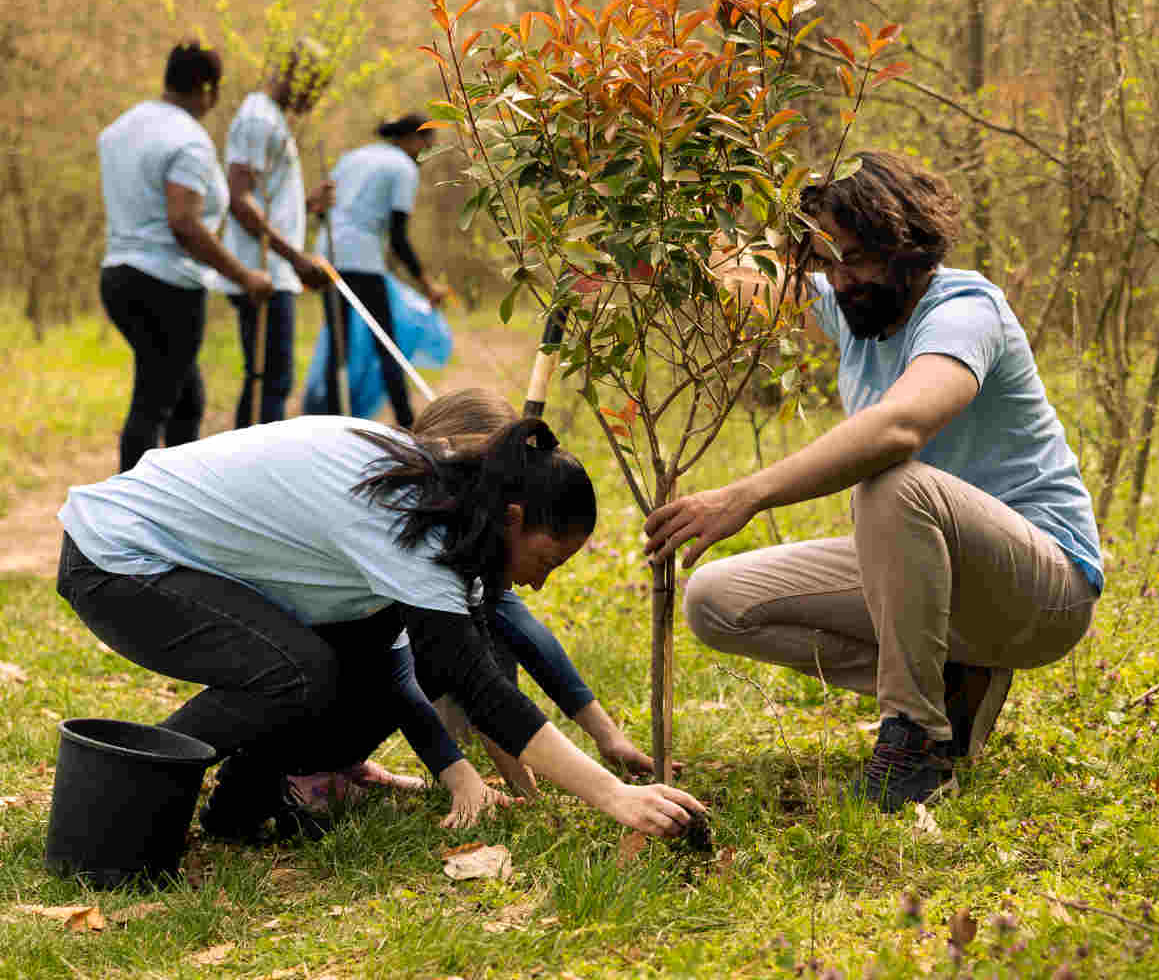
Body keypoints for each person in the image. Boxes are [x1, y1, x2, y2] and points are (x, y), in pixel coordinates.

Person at [643, 150, 1103, 812]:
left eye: (854, 258)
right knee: (716, 600)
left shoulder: (965, 310)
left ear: (907, 248)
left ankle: (915, 744)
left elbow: (900, 427)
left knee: (891, 481)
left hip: (1044, 590)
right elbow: (754, 283)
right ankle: (952, 687)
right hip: (938, 579)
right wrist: (664, 229)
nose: (839, 278)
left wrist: (746, 495)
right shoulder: (854, 304)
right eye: (827, 260)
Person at [56, 413, 706, 842]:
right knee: (300, 673)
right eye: (546, 561)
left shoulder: (443, 497)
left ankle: (240, 808)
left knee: (359, 640)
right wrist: (616, 797)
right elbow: (477, 685)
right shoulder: (410, 519)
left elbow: (466, 650)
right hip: (119, 559)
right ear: (512, 518)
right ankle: (116, 804)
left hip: (154, 553)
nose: (539, 582)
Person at [284, 389, 674, 823]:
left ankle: (344, 764)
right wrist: (459, 776)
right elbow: (449, 685)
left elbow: (509, 651)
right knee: (421, 660)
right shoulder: (415, 544)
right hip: (301, 696)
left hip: (353, 689)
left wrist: (597, 744)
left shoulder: (469, 547)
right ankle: (304, 773)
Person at [96, 42, 274, 472]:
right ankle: (131, 519)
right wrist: (244, 275)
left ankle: (171, 504)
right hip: (166, 286)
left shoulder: (121, 127)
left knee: (185, 398)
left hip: (118, 277)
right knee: (154, 403)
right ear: (207, 89)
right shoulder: (188, 140)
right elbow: (184, 224)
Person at [204, 39, 334, 427]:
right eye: (314, 89)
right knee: (271, 382)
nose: (315, 100)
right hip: (263, 272)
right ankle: (252, 475)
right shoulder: (259, 117)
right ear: (295, 77)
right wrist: (297, 260)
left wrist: (308, 205)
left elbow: (266, 199)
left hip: (276, 268)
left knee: (270, 380)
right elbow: (240, 199)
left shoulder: (273, 117)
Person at [304, 113, 451, 427]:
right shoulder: (403, 168)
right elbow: (398, 237)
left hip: (327, 255)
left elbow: (323, 209)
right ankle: (406, 425)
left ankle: (332, 425)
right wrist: (427, 285)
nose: (428, 151)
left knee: (338, 344)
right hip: (361, 260)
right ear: (411, 139)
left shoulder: (354, 157)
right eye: (427, 143)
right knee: (386, 343)